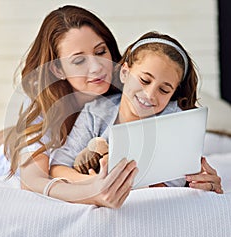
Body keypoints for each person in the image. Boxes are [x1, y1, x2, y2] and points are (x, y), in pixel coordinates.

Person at [0, 5, 138, 208]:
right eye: (79, 60)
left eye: (100, 51)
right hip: (4, 149)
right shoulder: (43, 105)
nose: (97, 67)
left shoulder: (127, 92)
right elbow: (33, 182)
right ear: (58, 68)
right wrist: (91, 193)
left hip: (35, 139)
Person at [50, 31, 223, 194]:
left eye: (164, 90)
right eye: (144, 80)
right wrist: (93, 185)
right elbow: (58, 167)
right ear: (125, 73)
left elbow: (174, 185)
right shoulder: (97, 112)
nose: (149, 95)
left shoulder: (174, 119)